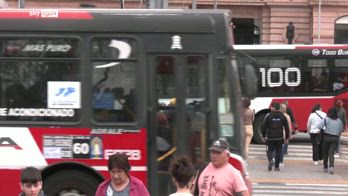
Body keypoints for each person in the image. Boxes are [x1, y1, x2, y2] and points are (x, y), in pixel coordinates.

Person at [261, 102, 290, 171]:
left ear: (274, 108)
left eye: (271, 107)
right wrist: (286, 138)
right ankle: (277, 167)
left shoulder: (269, 116)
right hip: (280, 137)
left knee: (269, 150)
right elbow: (287, 128)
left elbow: (264, 127)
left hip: (270, 137)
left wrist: (263, 136)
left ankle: (271, 160)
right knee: (279, 151)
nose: (271, 108)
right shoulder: (283, 116)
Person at [318, 107, 344, 174]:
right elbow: (340, 130)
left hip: (326, 137)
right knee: (331, 153)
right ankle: (331, 167)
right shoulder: (339, 121)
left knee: (325, 153)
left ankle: (325, 168)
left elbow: (319, 126)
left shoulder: (326, 119)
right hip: (335, 138)